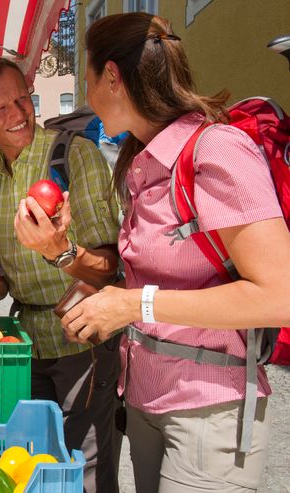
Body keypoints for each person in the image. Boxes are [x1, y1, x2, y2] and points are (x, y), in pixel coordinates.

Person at [61, 13, 290, 493]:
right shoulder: (142, 161)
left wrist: (131, 304)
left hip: (209, 408)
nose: (87, 96)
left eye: (87, 79)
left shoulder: (217, 150)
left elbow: (279, 296)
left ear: (112, 77)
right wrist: (94, 284)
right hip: (146, 401)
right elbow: (171, 278)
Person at [0, 57, 122, 492]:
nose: (17, 114)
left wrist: (60, 251)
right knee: (30, 466)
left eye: (22, 98)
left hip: (83, 343)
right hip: (26, 346)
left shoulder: (75, 157)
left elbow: (111, 267)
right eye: (0, 109)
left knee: (87, 467)